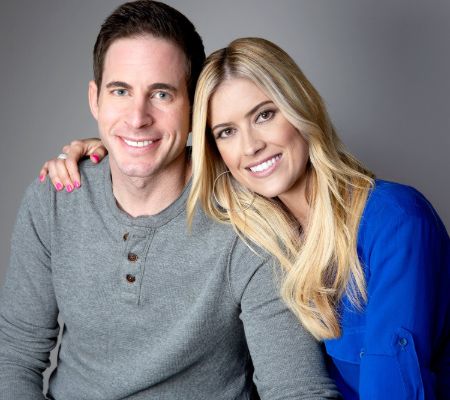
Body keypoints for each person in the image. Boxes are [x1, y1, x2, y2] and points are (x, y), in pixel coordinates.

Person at [45, 37, 450, 399]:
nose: (251, 146)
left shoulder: (396, 223)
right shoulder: (252, 227)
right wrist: (108, 152)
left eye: (264, 115)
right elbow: (164, 162)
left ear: (300, 107)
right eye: (226, 132)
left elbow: (394, 388)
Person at [0, 3, 341, 399]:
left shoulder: (250, 221)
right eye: (120, 91)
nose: (137, 117)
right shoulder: (53, 201)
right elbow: (15, 357)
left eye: (161, 94)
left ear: (194, 107)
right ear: (96, 100)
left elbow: (296, 388)